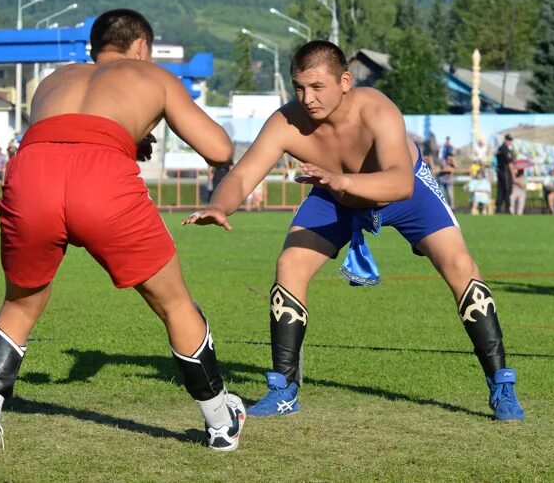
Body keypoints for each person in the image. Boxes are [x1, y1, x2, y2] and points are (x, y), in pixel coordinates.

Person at [184, 40, 524, 422]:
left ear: (345, 81)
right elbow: (244, 173)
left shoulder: (376, 107)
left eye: (317, 87)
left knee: (461, 265)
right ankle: (284, 388)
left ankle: (501, 383)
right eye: (299, 87)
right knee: (290, 264)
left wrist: (342, 180)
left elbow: (401, 183)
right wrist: (219, 205)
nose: (306, 98)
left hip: (402, 193)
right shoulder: (286, 121)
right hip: (334, 194)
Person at [0, 9, 246, 456]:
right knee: (173, 302)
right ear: (141, 48)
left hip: (34, 173)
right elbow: (218, 149)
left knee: (19, 303)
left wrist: (128, 134)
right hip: (102, 181)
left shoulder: (55, 78)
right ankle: (219, 420)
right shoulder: (150, 74)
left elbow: (70, 131)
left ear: (94, 48)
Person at [495, 134, 515, 214]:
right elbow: (509, 163)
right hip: (505, 172)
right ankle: (507, 208)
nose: (510, 142)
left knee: (500, 190)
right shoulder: (505, 149)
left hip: (499, 171)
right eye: (509, 140)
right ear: (506, 140)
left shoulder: (499, 148)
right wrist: (513, 175)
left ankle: (498, 208)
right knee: (507, 189)